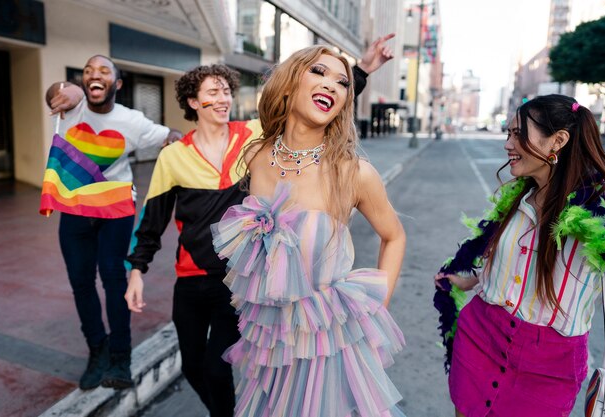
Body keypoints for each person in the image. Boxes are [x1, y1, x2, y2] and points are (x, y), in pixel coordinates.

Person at [124, 35, 397, 417]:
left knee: (221, 369)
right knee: (199, 368)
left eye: (225, 92)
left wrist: (362, 70)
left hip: (243, 291)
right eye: (211, 93)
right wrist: (137, 269)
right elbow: (152, 218)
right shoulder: (189, 154)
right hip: (202, 282)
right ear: (192, 102)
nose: (221, 99)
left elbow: (313, 108)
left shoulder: (247, 138)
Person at [210, 45, 407, 416]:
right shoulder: (257, 155)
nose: (331, 85)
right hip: (270, 339)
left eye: (342, 82)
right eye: (318, 72)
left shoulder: (353, 172)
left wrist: (376, 309)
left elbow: (394, 236)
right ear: (288, 85)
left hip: (328, 342)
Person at [434, 94, 605, 417]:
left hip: (551, 368)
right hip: (480, 339)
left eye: (518, 134)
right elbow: (506, 262)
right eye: (508, 133)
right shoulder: (517, 200)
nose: (507, 144)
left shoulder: (602, 211)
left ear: (557, 141)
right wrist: (469, 279)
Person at [43, 54, 182, 391]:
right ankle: (97, 348)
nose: (95, 75)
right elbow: (54, 92)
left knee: (113, 279)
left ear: (117, 84)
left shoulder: (132, 121)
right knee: (80, 282)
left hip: (115, 211)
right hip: (75, 209)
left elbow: (171, 135)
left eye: (104, 71)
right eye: (88, 71)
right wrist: (69, 90)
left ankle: (121, 356)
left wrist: (191, 141)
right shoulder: (71, 106)